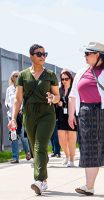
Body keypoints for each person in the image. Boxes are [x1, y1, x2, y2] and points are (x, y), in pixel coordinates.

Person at [68, 42, 104, 195]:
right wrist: (71, 115)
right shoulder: (81, 72)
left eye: (87, 54)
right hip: (87, 113)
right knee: (89, 149)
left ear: (97, 55)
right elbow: (73, 94)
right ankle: (89, 186)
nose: (85, 57)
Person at [8, 44, 60, 195]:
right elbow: (18, 100)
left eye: (45, 54)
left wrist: (53, 98)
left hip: (47, 114)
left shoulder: (50, 74)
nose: (43, 56)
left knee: (40, 145)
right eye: (39, 54)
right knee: (35, 150)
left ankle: (38, 180)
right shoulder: (23, 75)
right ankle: (43, 181)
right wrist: (13, 119)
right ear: (31, 56)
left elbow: (57, 96)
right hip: (29, 115)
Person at [5, 71, 31, 164]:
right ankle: (15, 157)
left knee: (23, 136)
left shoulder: (22, 88)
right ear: (12, 78)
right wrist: (9, 106)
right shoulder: (9, 89)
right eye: (15, 76)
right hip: (11, 115)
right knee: (14, 136)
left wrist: (21, 109)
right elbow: (6, 101)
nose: (17, 77)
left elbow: (24, 101)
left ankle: (28, 152)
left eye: (19, 76)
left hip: (21, 114)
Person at [57, 70, 77, 166]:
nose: (64, 81)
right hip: (61, 116)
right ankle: (67, 155)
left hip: (72, 115)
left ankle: (72, 160)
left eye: (66, 79)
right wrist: (58, 103)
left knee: (71, 139)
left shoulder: (74, 89)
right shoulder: (59, 89)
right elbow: (55, 101)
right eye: (62, 79)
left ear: (70, 79)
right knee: (61, 139)